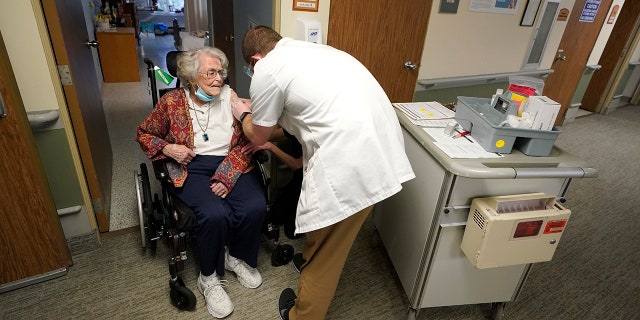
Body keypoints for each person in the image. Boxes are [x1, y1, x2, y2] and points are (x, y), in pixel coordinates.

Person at [234, 26, 416, 320]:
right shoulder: (319, 52)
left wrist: (241, 112)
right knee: (323, 227)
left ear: (255, 60)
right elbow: (301, 122)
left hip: (350, 162)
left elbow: (257, 135)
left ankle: (302, 315)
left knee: (326, 255)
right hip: (380, 148)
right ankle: (306, 257)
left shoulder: (267, 69)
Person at [136, 47, 265, 319]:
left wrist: (227, 175)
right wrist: (169, 149)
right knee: (214, 213)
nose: (219, 78)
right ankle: (209, 278)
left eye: (221, 72)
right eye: (211, 72)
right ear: (193, 77)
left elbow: (245, 141)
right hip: (190, 166)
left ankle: (237, 258)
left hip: (230, 162)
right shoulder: (171, 102)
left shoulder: (230, 98)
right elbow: (144, 133)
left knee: (255, 205)